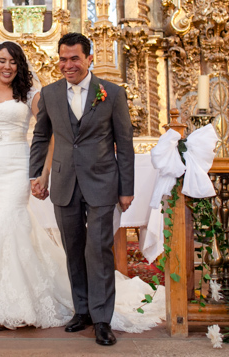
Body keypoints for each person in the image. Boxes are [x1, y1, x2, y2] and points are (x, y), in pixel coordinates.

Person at [0, 5, 162, 337]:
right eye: (2, 60)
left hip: (21, 169)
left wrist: (42, 173)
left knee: (29, 230)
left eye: (13, 61)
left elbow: (56, 131)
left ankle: (76, 314)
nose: (7, 66)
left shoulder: (36, 95)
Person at [29, 32, 135, 346]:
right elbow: (40, 137)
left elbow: (124, 143)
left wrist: (126, 188)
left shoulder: (111, 93)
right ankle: (83, 310)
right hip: (64, 182)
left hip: (102, 182)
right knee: (73, 249)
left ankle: (103, 320)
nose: (68, 65)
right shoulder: (49, 94)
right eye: (63, 59)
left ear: (89, 59)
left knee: (98, 250)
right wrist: (37, 175)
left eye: (74, 58)